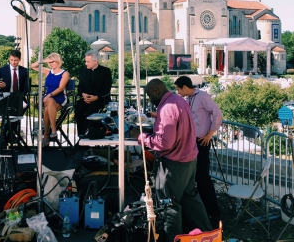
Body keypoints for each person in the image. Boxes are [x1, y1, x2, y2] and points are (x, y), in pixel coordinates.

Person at [130, 78, 211, 242]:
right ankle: (207, 234)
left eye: (149, 96)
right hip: (189, 159)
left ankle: (172, 238)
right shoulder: (178, 100)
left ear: (156, 91)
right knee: (190, 198)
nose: (149, 101)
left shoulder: (167, 108)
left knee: (169, 204)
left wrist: (141, 137)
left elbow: (164, 143)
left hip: (175, 163)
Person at [174, 75, 223, 229]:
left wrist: (210, 133)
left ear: (184, 87)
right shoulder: (189, 99)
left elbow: (217, 113)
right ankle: (202, 210)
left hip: (201, 141)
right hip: (193, 141)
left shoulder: (202, 96)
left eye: (178, 89)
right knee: (196, 177)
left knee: (202, 177)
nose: (178, 92)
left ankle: (213, 213)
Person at [31, 53, 69, 146]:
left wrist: (49, 96)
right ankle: (53, 131)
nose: (50, 64)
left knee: (49, 103)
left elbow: (60, 88)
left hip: (59, 97)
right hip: (48, 98)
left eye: (52, 62)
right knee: (48, 106)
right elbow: (33, 66)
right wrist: (43, 61)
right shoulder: (48, 72)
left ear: (58, 61)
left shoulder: (65, 73)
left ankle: (47, 134)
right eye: (49, 62)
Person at [75, 50, 112, 136]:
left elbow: (106, 88)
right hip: (85, 99)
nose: (86, 63)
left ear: (95, 61)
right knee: (78, 110)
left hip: (100, 100)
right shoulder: (83, 71)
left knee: (90, 112)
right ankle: (80, 134)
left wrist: (96, 97)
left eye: (88, 61)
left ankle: (85, 135)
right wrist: (83, 94)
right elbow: (80, 86)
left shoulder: (105, 71)